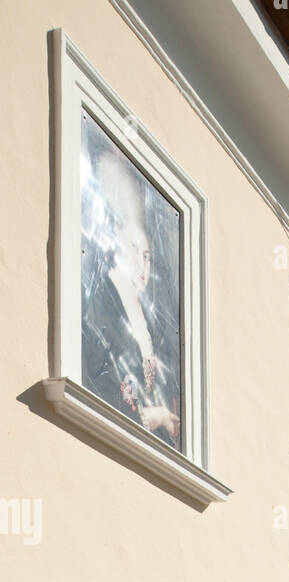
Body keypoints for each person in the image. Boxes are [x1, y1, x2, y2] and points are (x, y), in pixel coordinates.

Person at [81, 136, 181, 447]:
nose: (141, 264)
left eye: (148, 255)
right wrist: (157, 416)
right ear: (117, 240)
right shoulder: (100, 307)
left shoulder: (152, 323)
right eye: (135, 249)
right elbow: (101, 391)